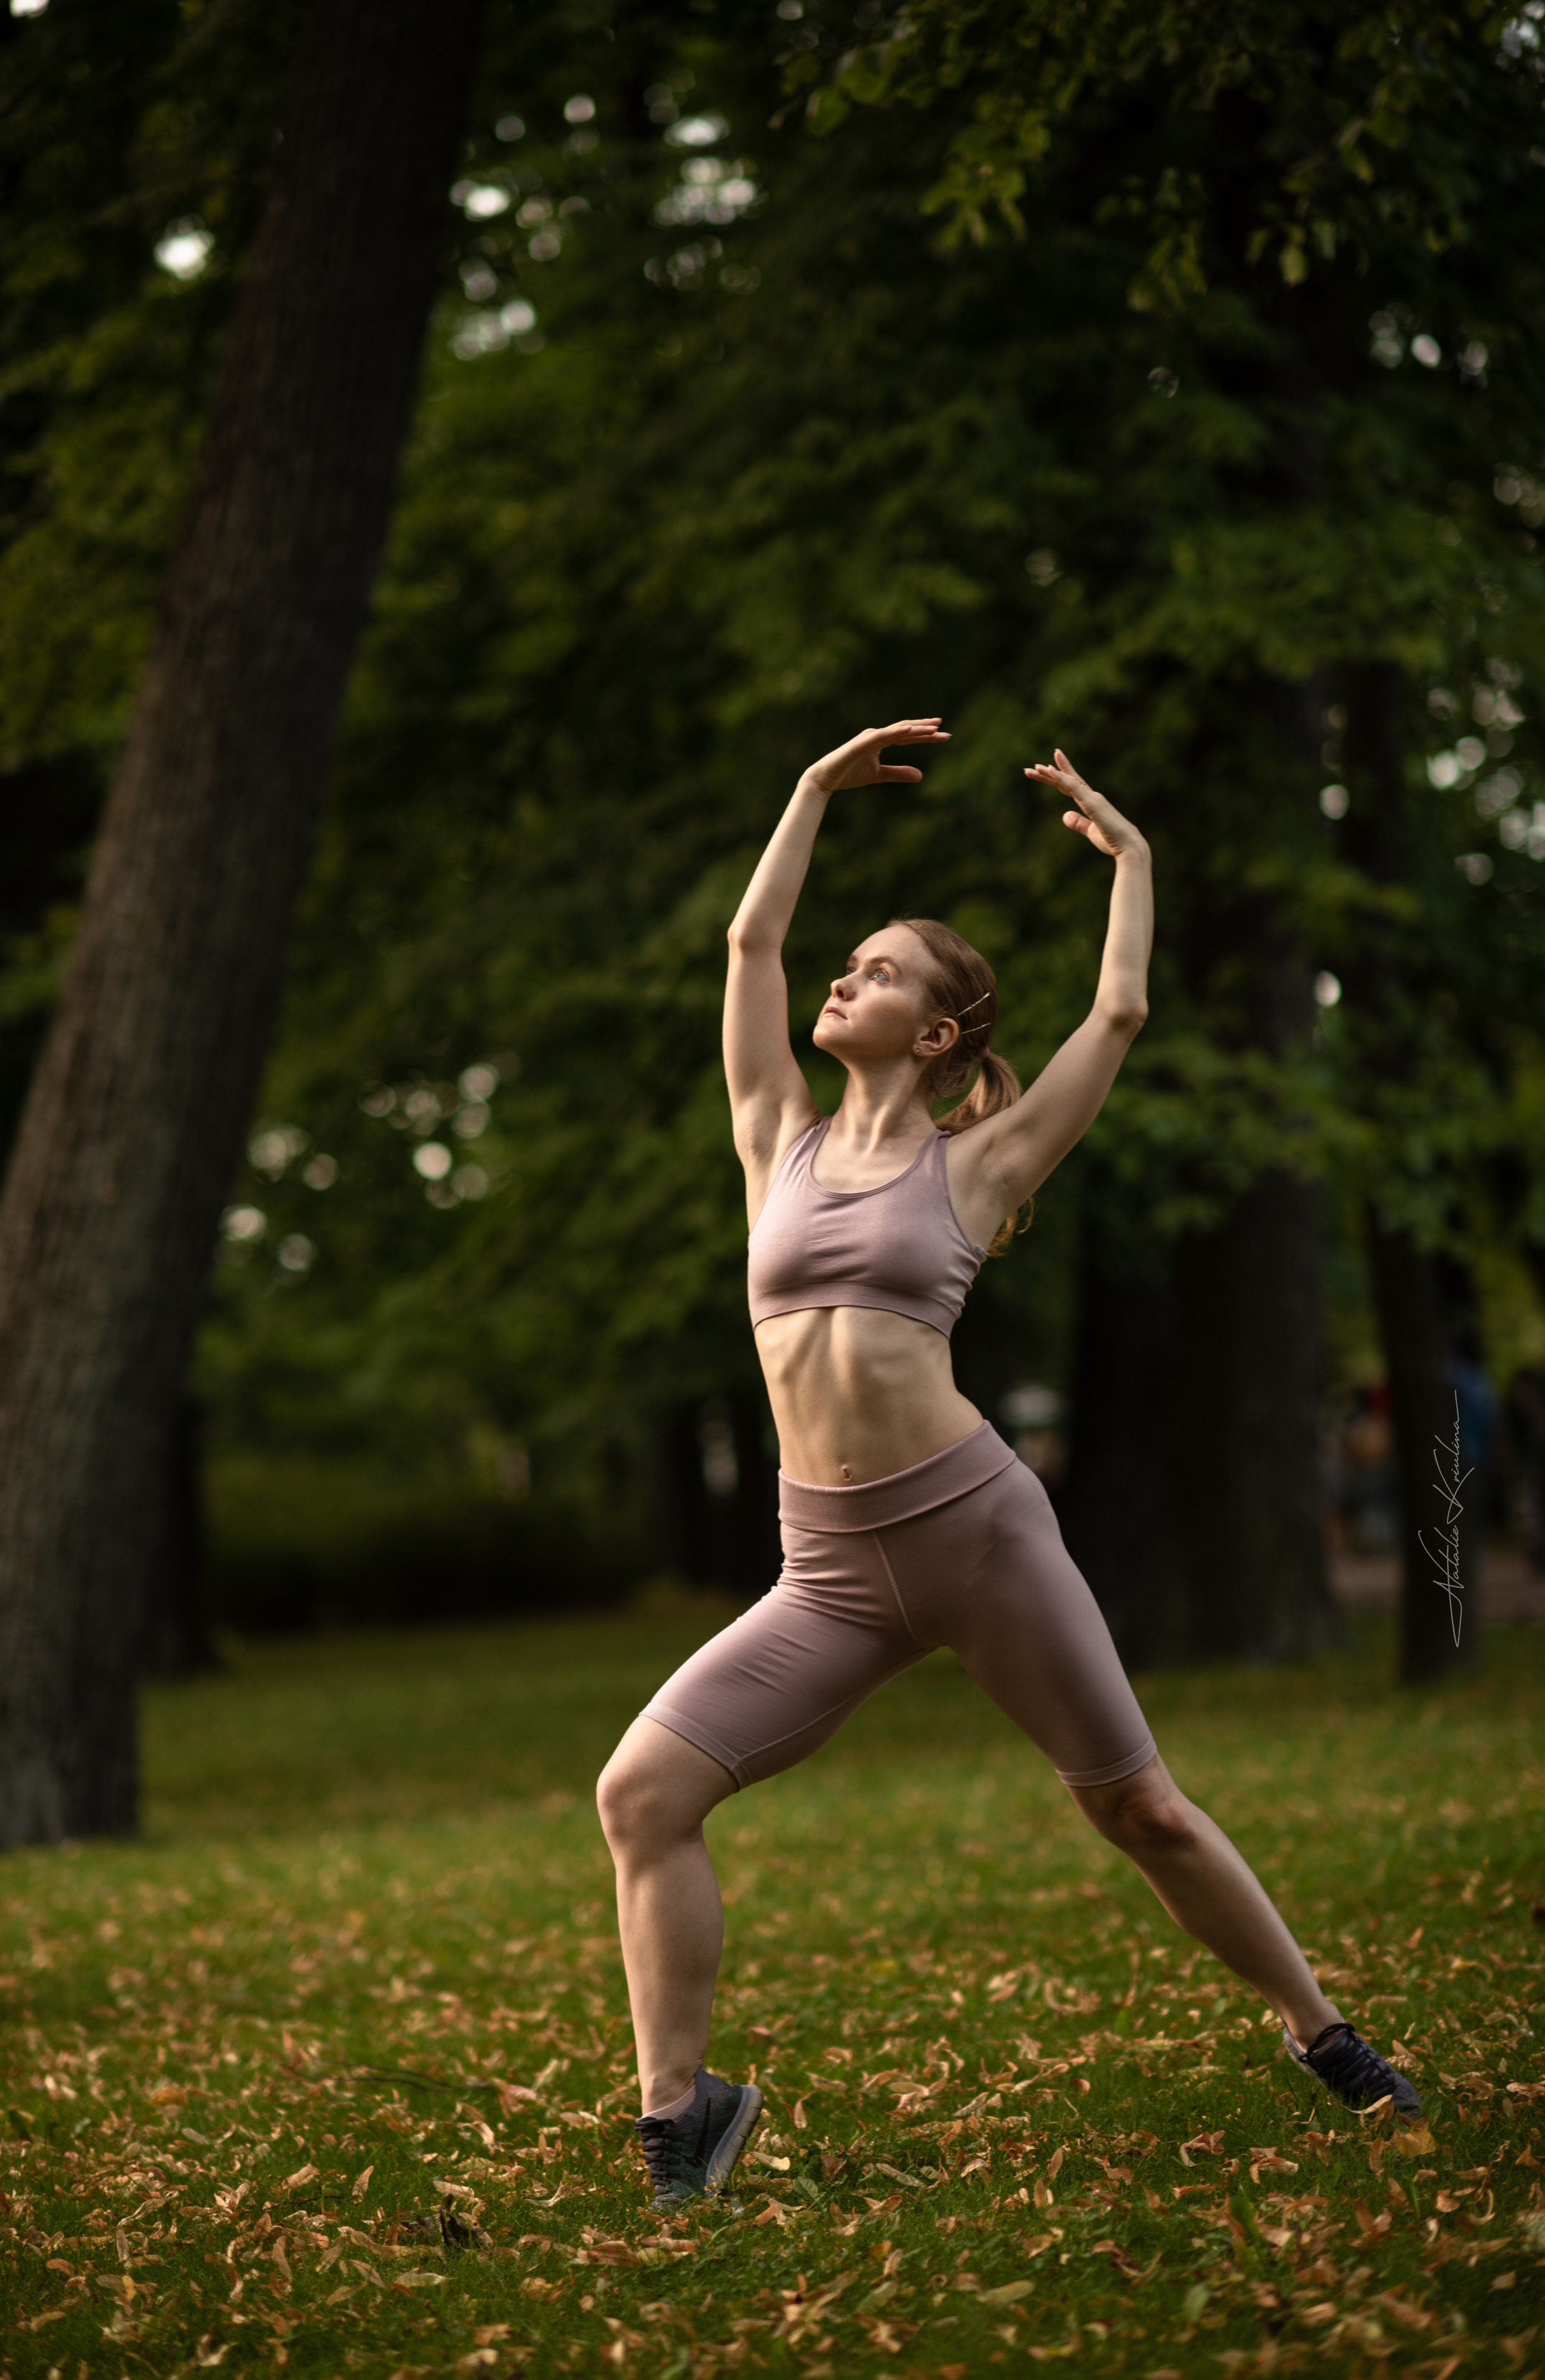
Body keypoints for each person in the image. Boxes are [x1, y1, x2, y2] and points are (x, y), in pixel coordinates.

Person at [597, 722, 1418, 2209]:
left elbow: (1116, 1014)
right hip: (828, 1572)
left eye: (884, 970)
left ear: (936, 1036)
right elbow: (746, 944)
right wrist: (801, 795)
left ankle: (1327, 2040)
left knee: (1139, 1808)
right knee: (639, 1793)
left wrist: (1135, 863)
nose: (843, 979)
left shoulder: (978, 1165)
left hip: (976, 1534)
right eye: (846, 963)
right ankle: (681, 2123)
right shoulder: (768, 1131)